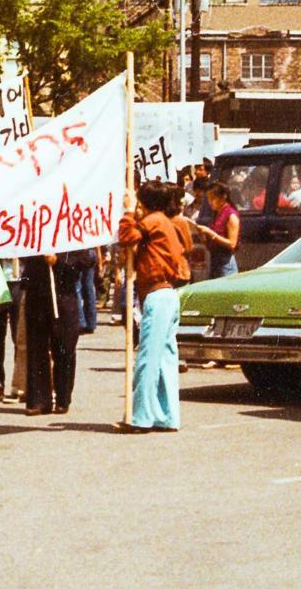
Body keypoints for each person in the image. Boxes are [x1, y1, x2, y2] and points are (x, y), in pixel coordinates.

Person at [117, 182, 187, 433]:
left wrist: (127, 212)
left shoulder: (154, 220)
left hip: (157, 295)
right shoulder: (164, 221)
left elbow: (126, 237)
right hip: (166, 294)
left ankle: (141, 417)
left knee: (148, 358)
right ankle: (167, 417)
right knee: (165, 358)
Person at [22, 250, 93, 416]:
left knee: (65, 346)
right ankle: (39, 400)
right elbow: (20, 250)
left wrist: (59, 261)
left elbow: (86, 260)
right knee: (36, 347)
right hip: (36, 290)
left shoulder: (71, 237)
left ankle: (63, 398)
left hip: (64, 293)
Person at [194, 182, 240, 278]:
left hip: (225, 263)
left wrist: (211, 233)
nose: (210, 202)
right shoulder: (216, 214)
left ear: (223, 197)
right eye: (208, 199)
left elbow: (232, 244)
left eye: (213, 198)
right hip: (214, 261)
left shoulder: (231, 215)